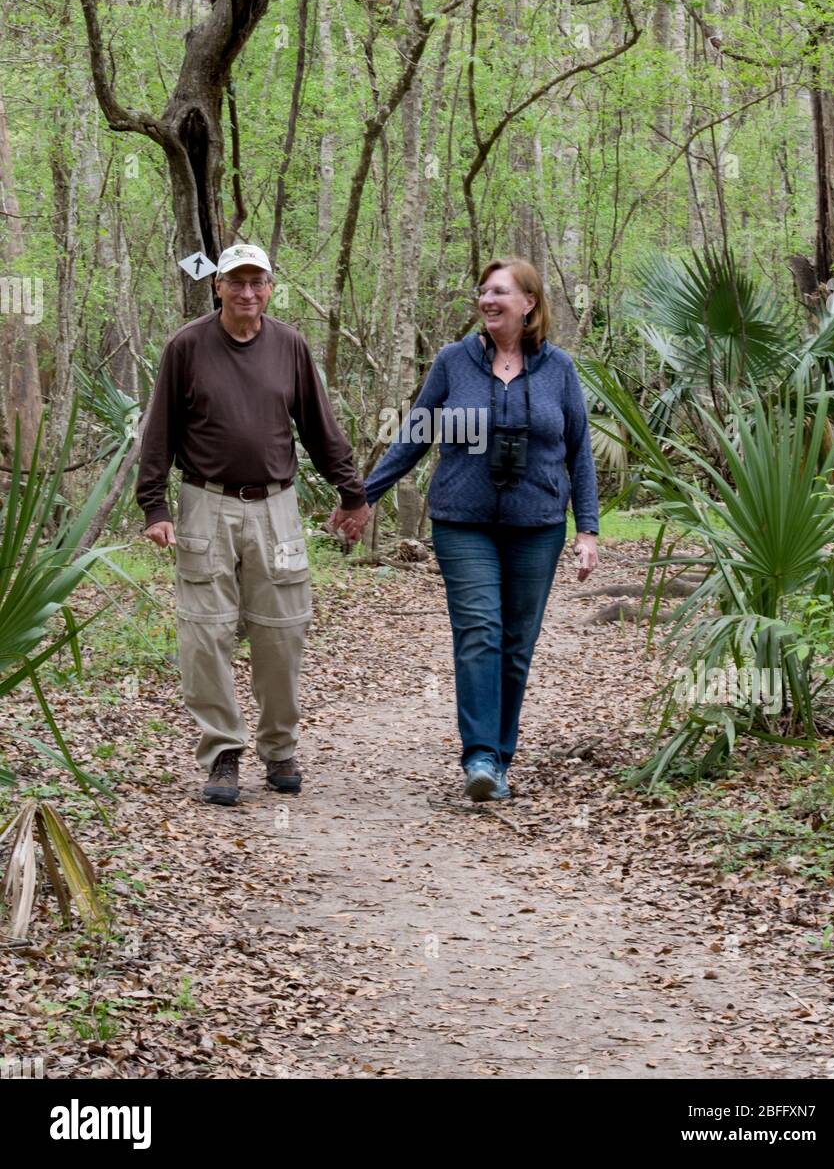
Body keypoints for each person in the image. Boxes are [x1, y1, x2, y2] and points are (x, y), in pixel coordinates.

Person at [136, 243, 371, 806]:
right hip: (204, 504)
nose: (247, 293)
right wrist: (154, 506)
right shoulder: (187, 346)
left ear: (270, 287)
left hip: (277, 507)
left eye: (257, 282)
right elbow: (159, 430)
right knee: (205, 631)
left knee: (282, 629)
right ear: (217, 286)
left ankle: (279, 747)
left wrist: (353, 493)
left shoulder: (288, 344)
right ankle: (222, 753)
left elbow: (318, 424)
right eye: (235, 282)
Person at [358, 257, 599, 802]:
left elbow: (580, 451)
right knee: (479, 633)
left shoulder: (559, 368)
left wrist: (587, 529)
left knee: (517, 644)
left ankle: (501, 755)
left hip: (537, 525)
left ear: (529, 303)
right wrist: (364, 496)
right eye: (483, 292)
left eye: (500, 292)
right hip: (462, 523)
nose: (488, 300)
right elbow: (416, 433)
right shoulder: (453, 362)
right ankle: (480, 758)